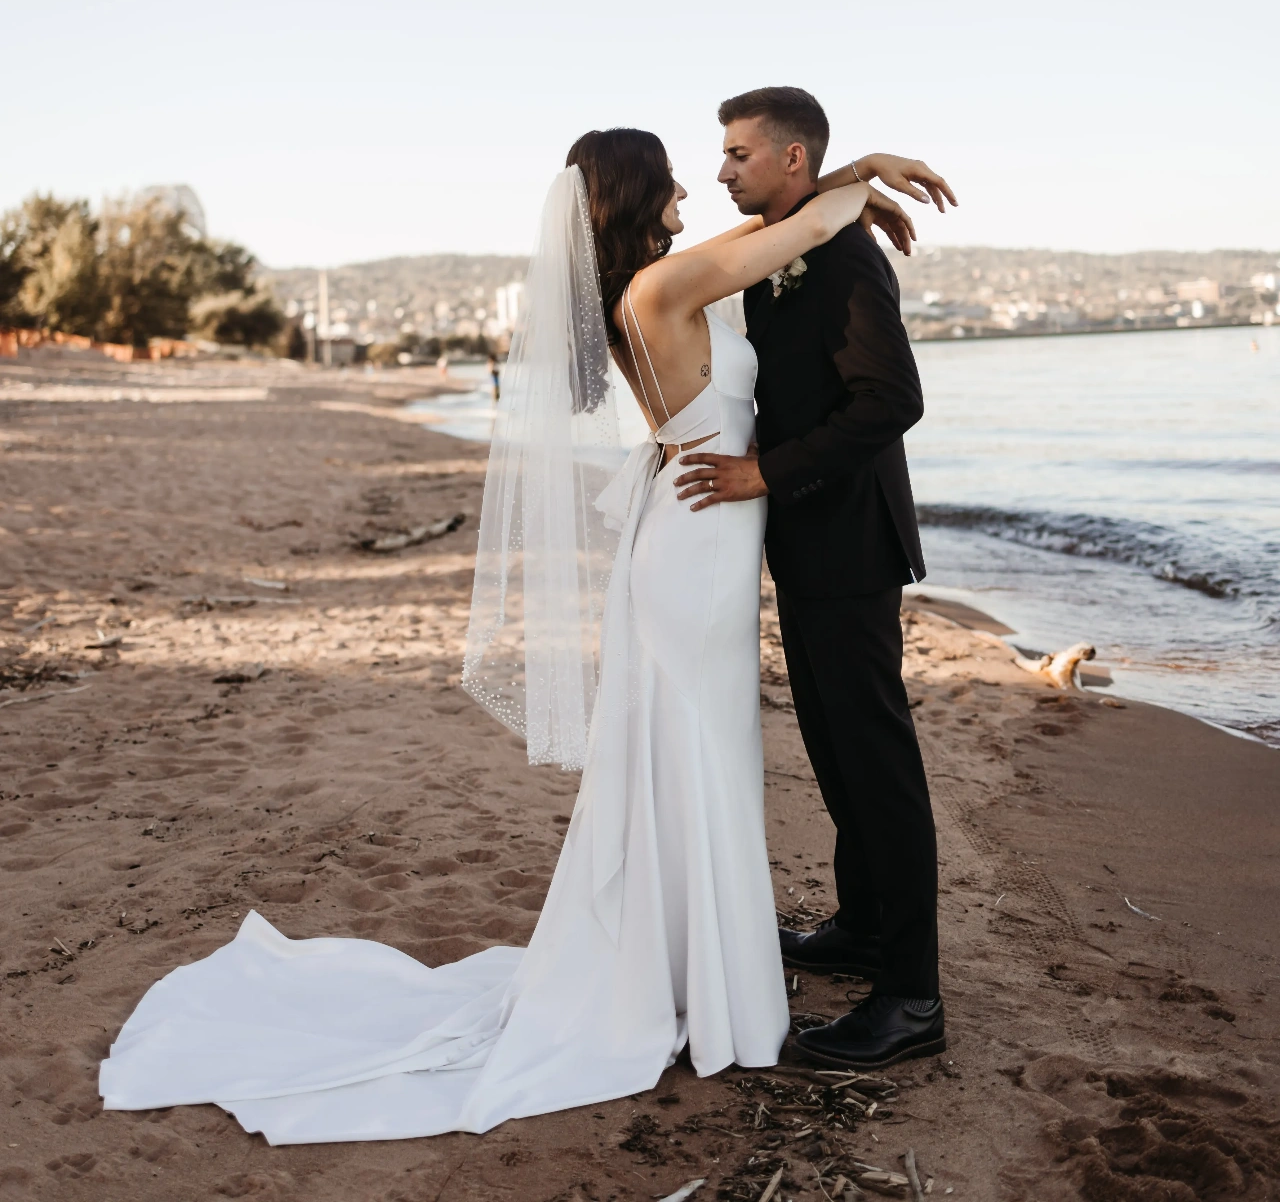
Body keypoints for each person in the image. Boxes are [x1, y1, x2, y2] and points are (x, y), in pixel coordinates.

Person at [97, 126, 936, 1142]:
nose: (690, 183)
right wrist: (868, 167)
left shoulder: (652, 283)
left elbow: (777, 229)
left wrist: (844, 181)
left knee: (692, 756)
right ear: (636, 196)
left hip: (692, 540)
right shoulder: (663, 288)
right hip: (694, 548)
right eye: (671, 171)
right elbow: (786, 230)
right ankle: (710, 986)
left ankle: (696, 972)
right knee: (699, 756)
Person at [676, 87, 954, 1069]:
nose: (721, 171)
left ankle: (911, 1000)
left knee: (874, 767)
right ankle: (862, 928)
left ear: (789, 160)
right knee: (836, 752)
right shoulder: (797, 230)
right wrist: (850, 175)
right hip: (804, 543)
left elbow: (891, 399)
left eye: (738, 154)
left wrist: (765, 473)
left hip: (847, 542)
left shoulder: (838, 253)